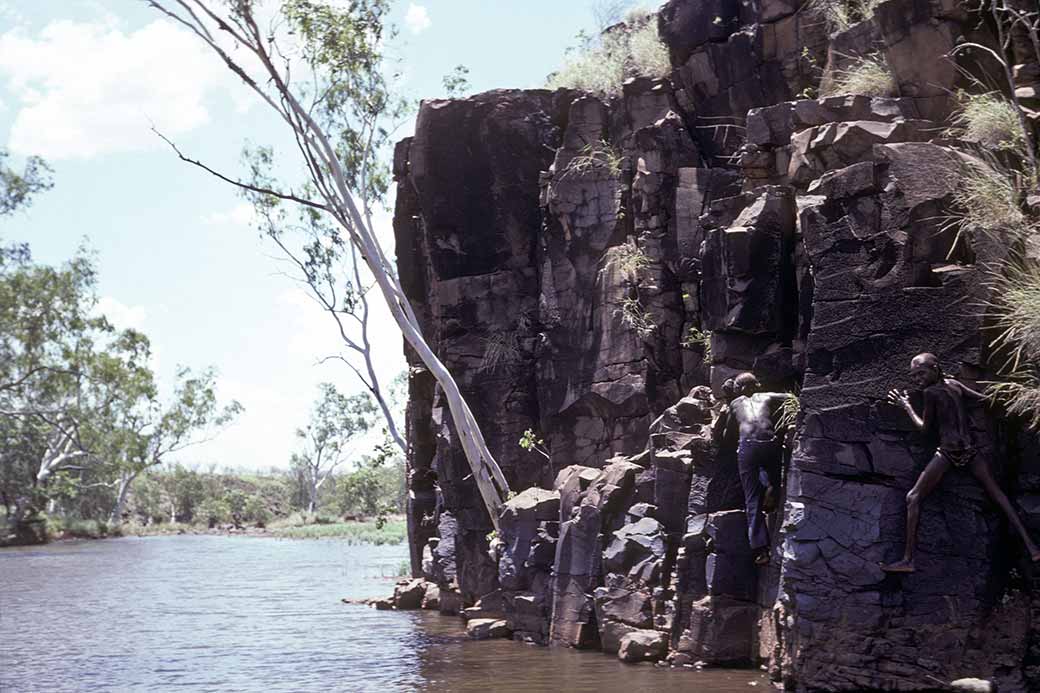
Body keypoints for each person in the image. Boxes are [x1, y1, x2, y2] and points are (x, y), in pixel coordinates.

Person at [881, 353, 1040, 573]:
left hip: (948, 453)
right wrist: (1017, 396)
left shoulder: (930, 393)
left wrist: (906, 405)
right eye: (914, 375)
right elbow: (984, 400)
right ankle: (1032, 547)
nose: (917, 379)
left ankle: (908, 560)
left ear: (935, 368)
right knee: (998, 495)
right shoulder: (954, 384)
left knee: (913, 497)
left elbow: (924, 429)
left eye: (921, 373)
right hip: (970, 451)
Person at [727, 372, 791, 565]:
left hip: (748, 447)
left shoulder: (735, 403)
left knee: (752, 498)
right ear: (756, 385)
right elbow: (791, 398)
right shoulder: (767, 396)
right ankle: (771, 491)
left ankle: (761, 551)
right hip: (770, 443)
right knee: (775, 479)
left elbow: (728, 433)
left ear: (741, 388)